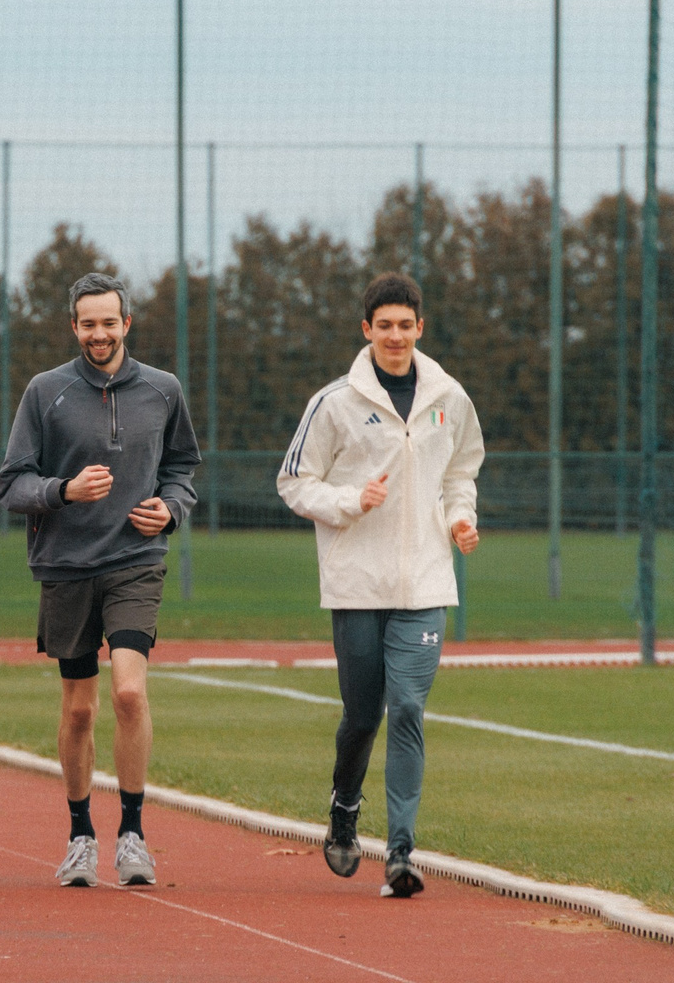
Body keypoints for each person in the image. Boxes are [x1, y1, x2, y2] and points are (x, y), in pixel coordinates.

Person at [277, 270, 484, 899]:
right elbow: (294, 483)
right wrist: (348, 501)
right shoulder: (334, 402)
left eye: (406, 325)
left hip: (424, 584)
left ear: (421, 328)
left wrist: (460, 517)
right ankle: (344, 806)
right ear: (367, 330)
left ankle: (401, 850)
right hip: (357, 585)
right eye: (384, 325)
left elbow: (460, 473)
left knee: (410, 709)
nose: (396, 335)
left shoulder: (450, 396)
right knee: (363, 714)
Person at [0, 272, 200, 888]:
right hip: (66, 566)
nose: (99, 333)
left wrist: (171, 507)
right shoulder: (45, 392)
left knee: (130, 694)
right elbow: (12, 484)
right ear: (74, 327)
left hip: (135, 561)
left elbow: (183, 466)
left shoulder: (163, 391)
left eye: (109, 322)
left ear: (127, 323)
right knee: (80, 709)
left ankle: (134, 834)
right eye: (88, 323)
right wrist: (64, 491)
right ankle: (80, 834)